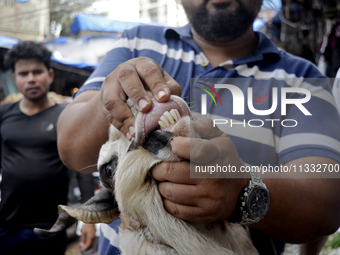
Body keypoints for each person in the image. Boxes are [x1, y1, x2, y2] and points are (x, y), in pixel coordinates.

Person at [57, 0, 340, 254]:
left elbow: (327, 206)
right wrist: (113, 89)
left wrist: (243, 191)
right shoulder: (136, 42)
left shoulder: (302, 79)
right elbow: (71, 149)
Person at [0, 41, 96, 255]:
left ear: (50, 75)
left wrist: (89, 220)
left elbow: (83, 170)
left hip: (52, 226)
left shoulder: (65, 117)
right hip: (7, 223)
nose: (31, 78)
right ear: (15, 78)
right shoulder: (4, 114)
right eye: (23, 73)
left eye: (37, 71)